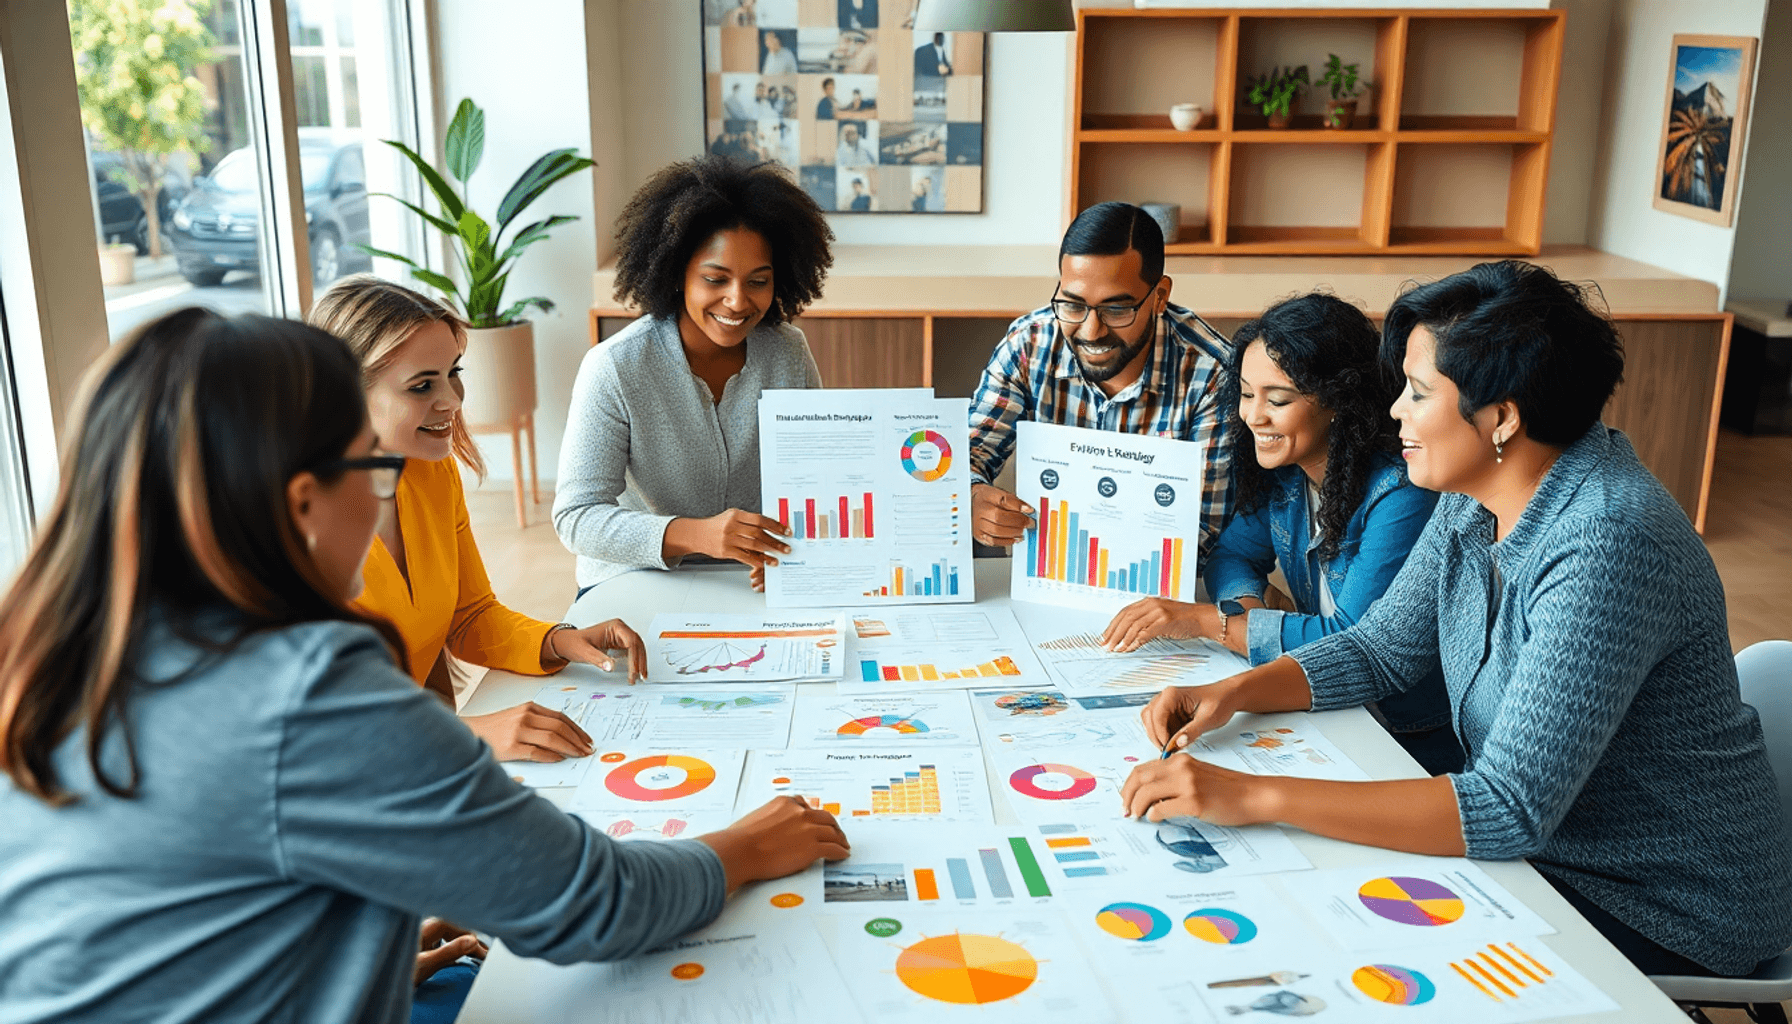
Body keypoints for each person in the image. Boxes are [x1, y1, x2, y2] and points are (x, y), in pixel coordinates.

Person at [0, 307, 850, 1022]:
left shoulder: (69, 645)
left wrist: (318, 945)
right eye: (366, 470)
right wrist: (741, 846)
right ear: (303, 505)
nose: (384, 489)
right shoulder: (307, 687)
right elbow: (593, 904)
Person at [1122, 261, 1792, 979]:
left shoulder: (1608, 540)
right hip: (1556, 851)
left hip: (1662, 902)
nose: (1393, 413)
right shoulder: (1476, 492)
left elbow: (1506, 809)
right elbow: (1381, 649)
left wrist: (1251, 793)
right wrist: (1234, 693)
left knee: (1329, 930)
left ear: (1501, 416)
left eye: (1418, 392)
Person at [1100, 293, 1460, 775]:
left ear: (1337, 400)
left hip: (1402, 736)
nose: (1253, 416)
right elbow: (1230, 556)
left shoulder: (1401, 492)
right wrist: (1247, 611)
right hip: (1327, 708)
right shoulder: (1287, 471)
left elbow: (1352, 642)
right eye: (1247, 394)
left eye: (1278, 399)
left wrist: (1214, 624)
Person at [307, 276, 641, 767]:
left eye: (453, 373)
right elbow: (310, 722)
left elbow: (470, 615)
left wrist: (557, 640)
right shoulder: (291, 524)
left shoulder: (429, 473)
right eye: (422, 385)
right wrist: (470, 735)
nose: (454, 400)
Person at [555, 156, 831, 594]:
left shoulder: (787, 352)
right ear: (677, 272)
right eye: (715, 279)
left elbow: (818, 475)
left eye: (758, 282)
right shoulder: (615, 367)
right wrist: (694, 534)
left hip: (749, 580)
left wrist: (790, 547)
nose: (737, 301)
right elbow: (577, 517)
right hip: (636, 578)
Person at [969, 201, 1234, 564]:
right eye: (1073, 304)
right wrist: (970, 497)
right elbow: (970, 454)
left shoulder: (1212, 375)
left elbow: (1205, 533)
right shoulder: (1030, 345)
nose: (1091, 331)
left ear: (1159, 297)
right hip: (1050, 574)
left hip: (1160, 587)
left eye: (1116, 309)